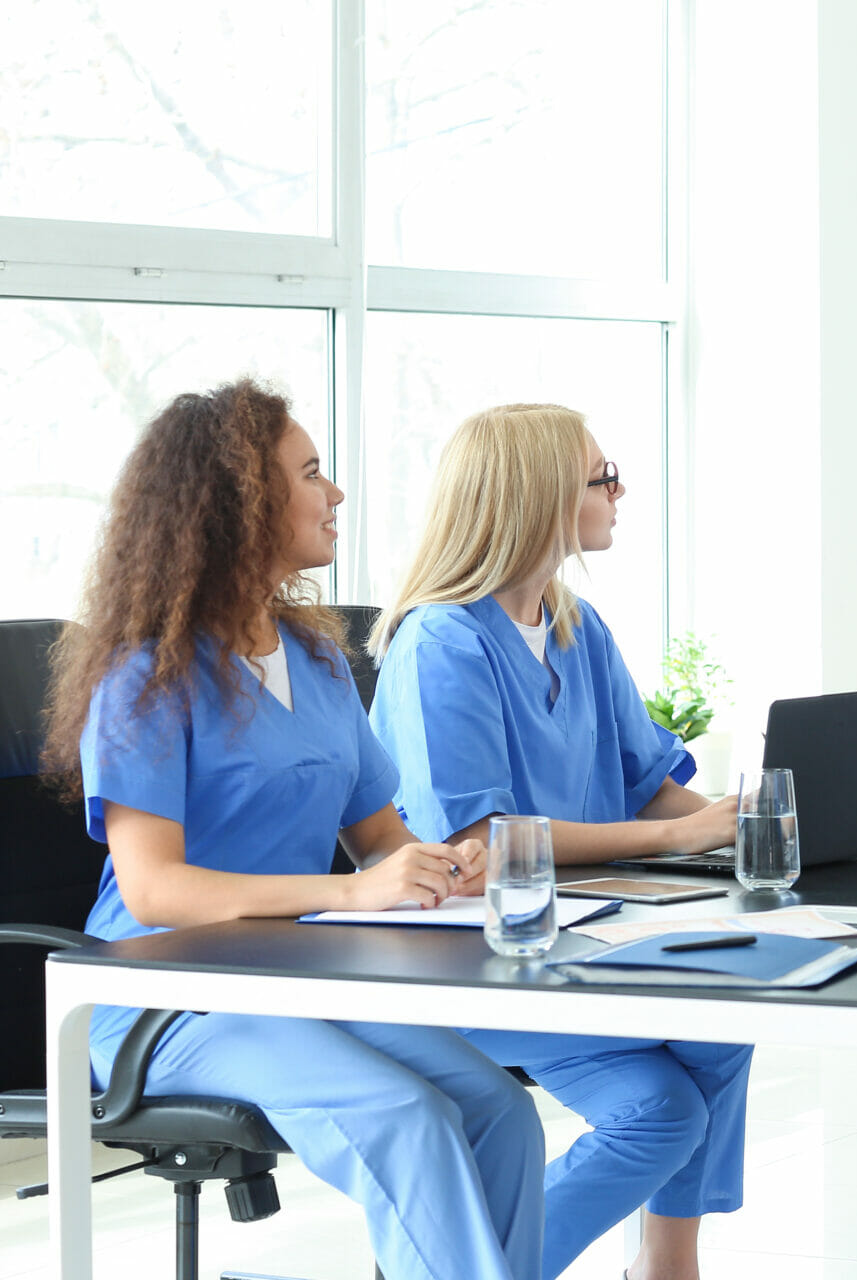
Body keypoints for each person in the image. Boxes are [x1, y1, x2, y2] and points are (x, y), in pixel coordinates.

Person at [40, 379, 544, 1280]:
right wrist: (352, 892)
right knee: (408, 1118)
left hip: (293, 977)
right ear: (241, 503)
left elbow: (380, 840)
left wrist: (438, 867)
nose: (336, 492)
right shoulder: (144, 678)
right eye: (312, 473)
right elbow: (155, 889)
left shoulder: (316, 657)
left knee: (500, 1114)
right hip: (166, 996)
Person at [369, 403, 750, 1280]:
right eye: (601, 477)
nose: (620, 491)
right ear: (539, 499)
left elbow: (651, 778)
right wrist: (676, 838)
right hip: (472, 957)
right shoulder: (440, 641)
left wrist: (734, 831)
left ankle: (661, 1268)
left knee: (690, 1070)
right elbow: (481, 837)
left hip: (584, 935)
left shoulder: (576, 626)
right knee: (680, 1083)